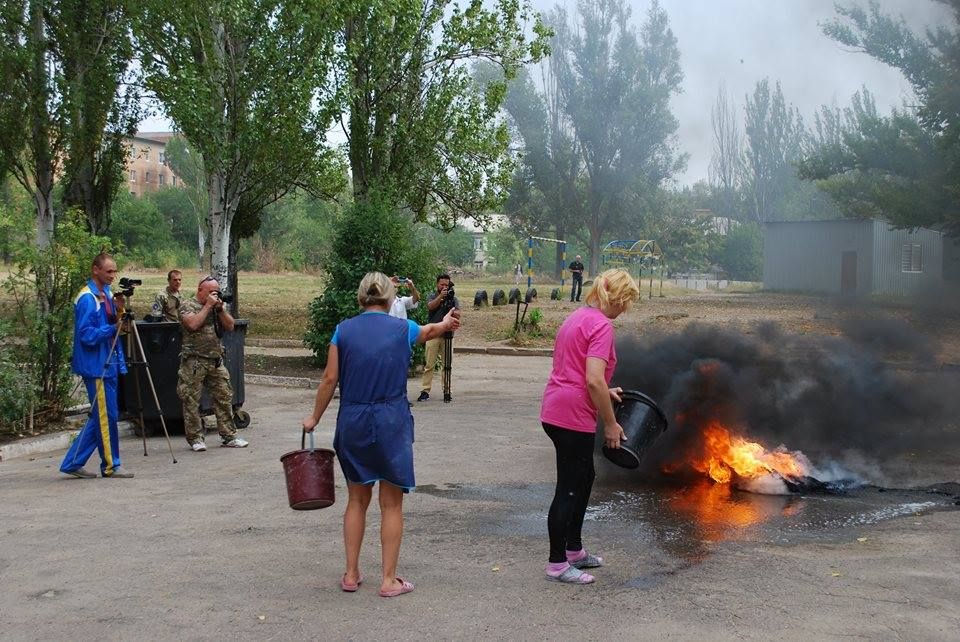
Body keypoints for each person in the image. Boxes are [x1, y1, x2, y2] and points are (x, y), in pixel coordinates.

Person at [302, 271, 461, 598]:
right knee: (391, 504)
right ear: (391, 299)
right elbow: (431, 330)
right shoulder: (402, 328)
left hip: (353, 419)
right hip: (391, 420)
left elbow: (329, 379)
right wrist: (446, 324)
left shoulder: (342, 331)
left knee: (357, 500)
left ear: (361, 298)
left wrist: (313, 418)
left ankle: (350, 573)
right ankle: (388, 581)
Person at [539, 268, 639, 584]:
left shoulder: (577, 317)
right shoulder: (602, 326)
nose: (625, 310)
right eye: (626, 303)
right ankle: (557, 564)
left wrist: (605, 392)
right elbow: (593, 379)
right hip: (571, 415)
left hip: (556, 406)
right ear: (617, 298)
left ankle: (574, 551)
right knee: (569, 486)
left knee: (584, 478)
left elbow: (577, 370)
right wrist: (610, 424)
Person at [60, 253, 134, 479]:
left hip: (108, 361)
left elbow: (110, 324)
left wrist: (119, 312)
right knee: (107, 416)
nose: (113, 275)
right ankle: (111, 465)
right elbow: (86, 336)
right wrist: (112, 329)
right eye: (109, 271)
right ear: (96, 270)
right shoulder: (87, 298)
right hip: (96, 366)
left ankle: (73, 462)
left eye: (114, 271)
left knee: (101, 415)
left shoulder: (107, 294)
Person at [177, 276, 248, 451]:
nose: (214, 295)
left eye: (216, 292)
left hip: (215, 360)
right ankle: (195, 439)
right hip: (194, 361)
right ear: (200, 290)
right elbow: (192, 325)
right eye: (211, 292)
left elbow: (230, 326)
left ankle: (229, 435)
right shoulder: (188, 305)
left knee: (224, 396)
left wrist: (221, 310)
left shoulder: (217, 308)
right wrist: (208, 306)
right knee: (191, 400)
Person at [416, 273, 460, 402]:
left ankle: (447, 390)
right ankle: (425, 391)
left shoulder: (453, 298)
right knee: (429, 364)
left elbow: (458, 314)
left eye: (446, 285)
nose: (444, 287)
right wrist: (441, 297)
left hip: (448, 336)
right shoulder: (433, 296)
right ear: (437, 284)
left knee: (447, 365)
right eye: (442, 284)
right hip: (433, 335)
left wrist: (451, 308)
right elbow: (430, 306)